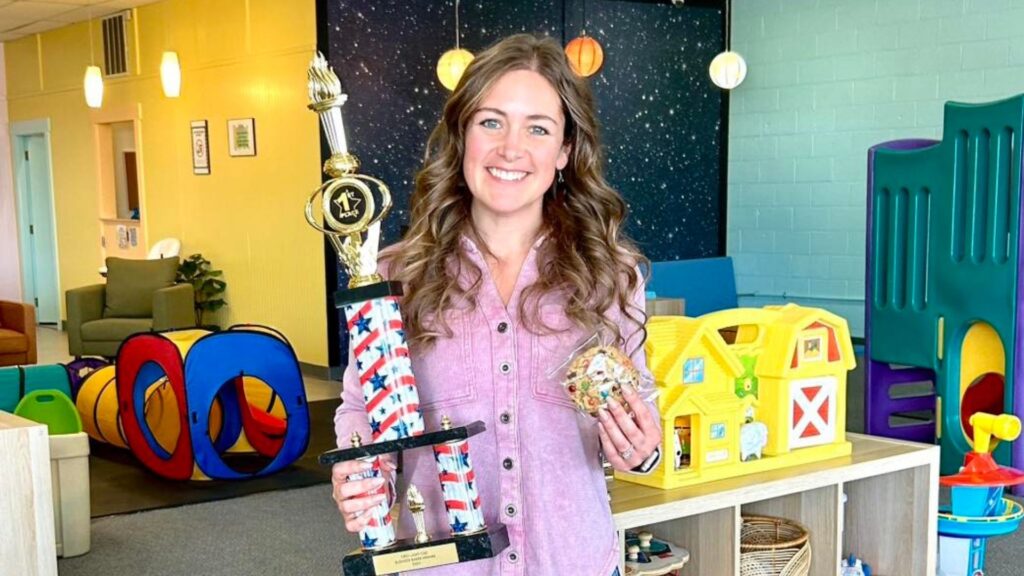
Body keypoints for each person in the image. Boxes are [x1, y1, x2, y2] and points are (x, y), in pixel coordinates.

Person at [331, 33, 662, 575]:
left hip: (571, 562)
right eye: (491, 121)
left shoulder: (612, 275)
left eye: (538, 128)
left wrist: (640, 449)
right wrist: (365, 476)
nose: (512, 147)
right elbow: (363, 411)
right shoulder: (396, 276)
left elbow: (636, 422)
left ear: (564, 151)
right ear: (462, 136)